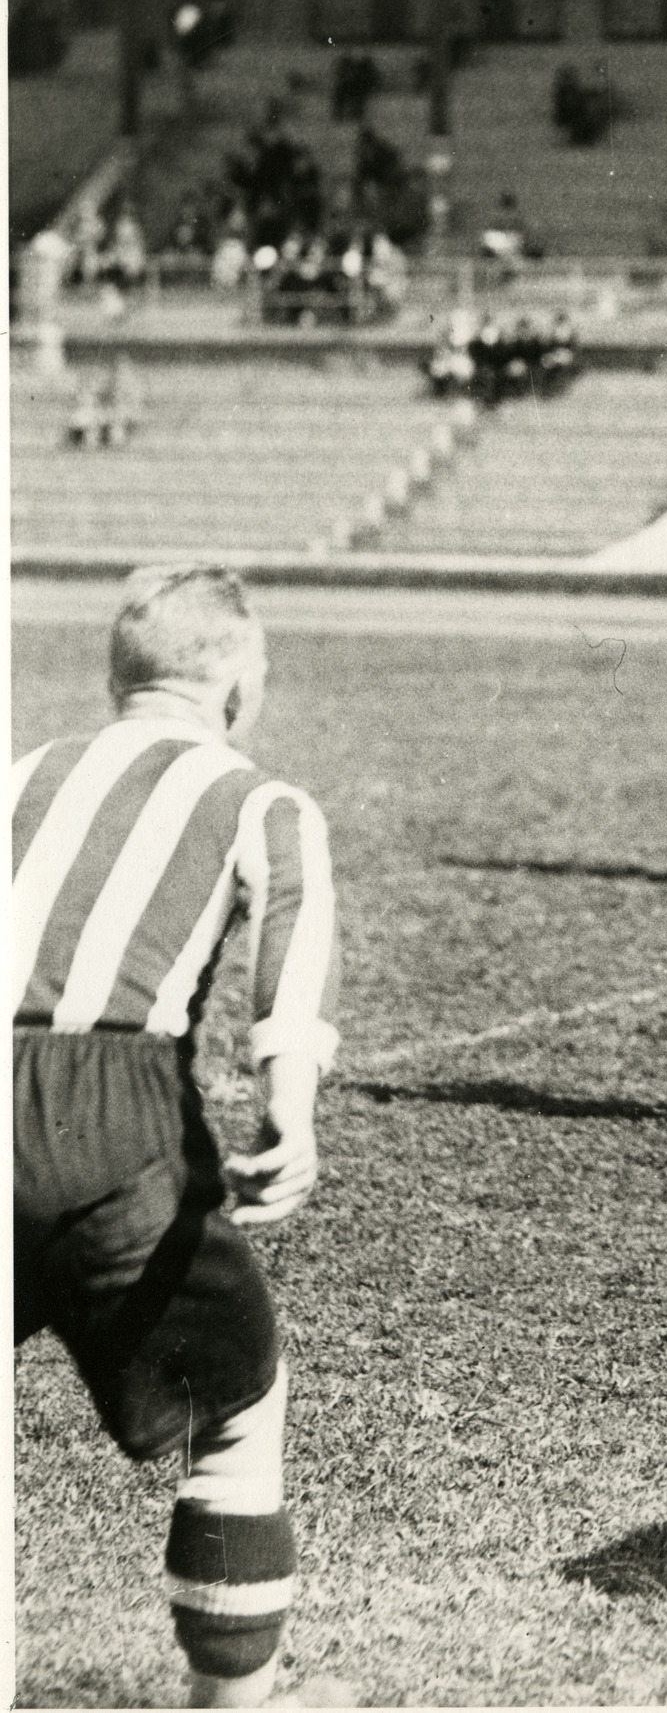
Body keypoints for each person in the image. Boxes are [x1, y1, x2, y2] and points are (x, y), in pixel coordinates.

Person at [13, 565, 339, 1707]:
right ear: (239, 688)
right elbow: (287, 973)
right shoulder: (261, 798)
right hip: (114, 1110)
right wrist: (289, 1114)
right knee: (239, 1396)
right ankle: (231, 1701)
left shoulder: (18, 775)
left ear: (116, 680)